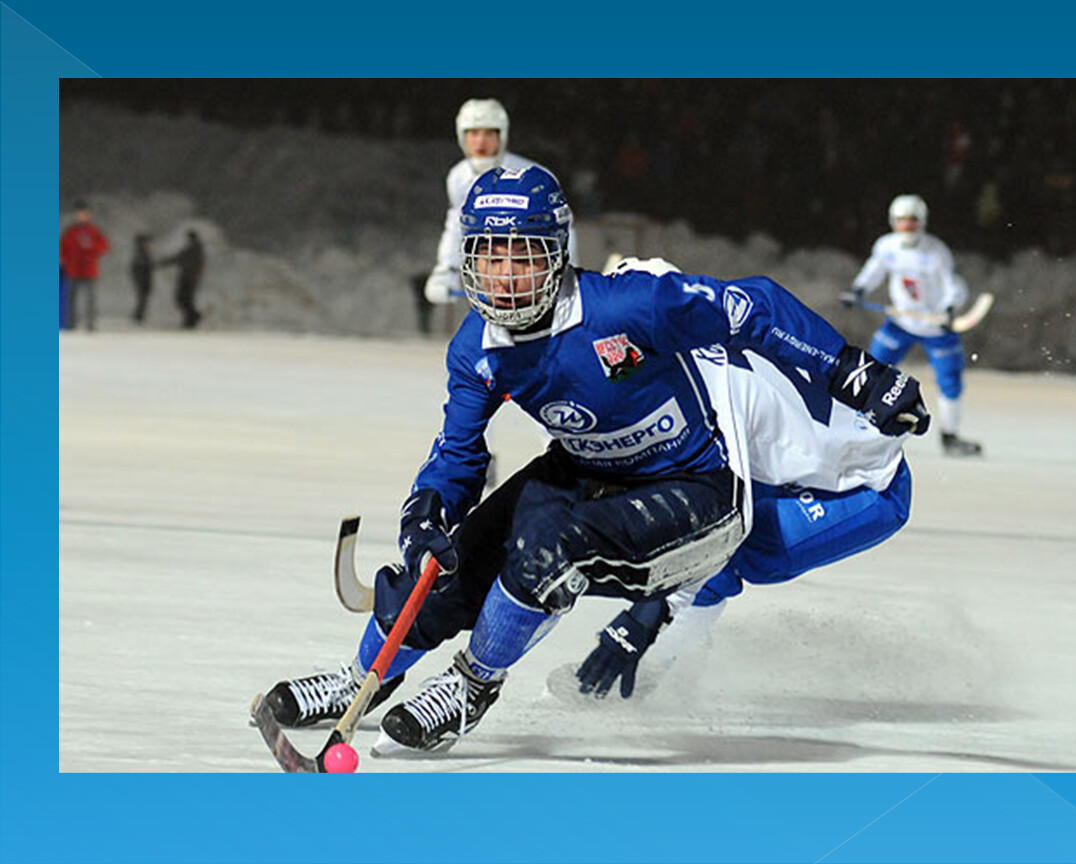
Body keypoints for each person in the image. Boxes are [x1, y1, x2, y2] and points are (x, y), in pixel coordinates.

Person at [261, 166, 930, 755]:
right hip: (588, 469)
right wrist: (426, 511)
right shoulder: (477, 348)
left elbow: (750, 303)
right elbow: (458, 454)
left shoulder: (630, 306)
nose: (504, 275)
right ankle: (362, 679)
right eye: (489, 257)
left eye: (522, 257)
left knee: (549, 548)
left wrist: (853, 371)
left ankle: (471, 686)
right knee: (455, 556)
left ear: (557, 256)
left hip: (693, 487)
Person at [840, 194, 983, 457]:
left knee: (950, 380)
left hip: (936, 327)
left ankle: (950, 437)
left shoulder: (935, 251)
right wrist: (857, 289)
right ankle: (854, 427)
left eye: (912, 221)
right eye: (901, 221)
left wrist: (951, 308)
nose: (906, 227)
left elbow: (954, 285)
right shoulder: (887, 246)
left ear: (922, 222)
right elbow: (874, 270)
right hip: (902, 323)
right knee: (870, 370)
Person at [420, 98, 578, 310]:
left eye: (488, 133)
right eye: (473, 133)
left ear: (501, 136)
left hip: (528, 276)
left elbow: (562, 228)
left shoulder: (535, 178)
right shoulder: (458, 177)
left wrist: (567, 277)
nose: (480, 142)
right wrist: (446, 270)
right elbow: (457, 225)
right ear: (461, 137)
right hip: (488, 275)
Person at [59, 199, 110, 331]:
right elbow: (63, 248)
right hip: (73, 270)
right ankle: (70, 323)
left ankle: (90, 324)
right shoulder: (70, 231)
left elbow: (104, 246)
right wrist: (62, 260)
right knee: (71, 299)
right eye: (80, 214)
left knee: (90, 299)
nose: (82, 216)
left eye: (85, 214)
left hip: (89, 270)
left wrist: (93, 248)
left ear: (89, 215)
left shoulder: (94, 230)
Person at [157, 229, 205, 328]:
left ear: (191, 239)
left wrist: (160, 263)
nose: (186, 241)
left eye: (188, 239)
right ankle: (192, 318)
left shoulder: (192, 250)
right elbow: (178, 259)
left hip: (187, 279)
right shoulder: (196, 250)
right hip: (190, 279)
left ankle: (192, 318)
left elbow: (176, 258)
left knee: (181, 299)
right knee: (186, 300)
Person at [130, 233, 154, 324]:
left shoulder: (142, 253)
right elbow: (139, 267)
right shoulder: (141, 254)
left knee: (143, 298)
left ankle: (139, 315)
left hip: (143, 279)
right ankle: (138, 315)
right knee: (142, 297)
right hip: (142, 279)